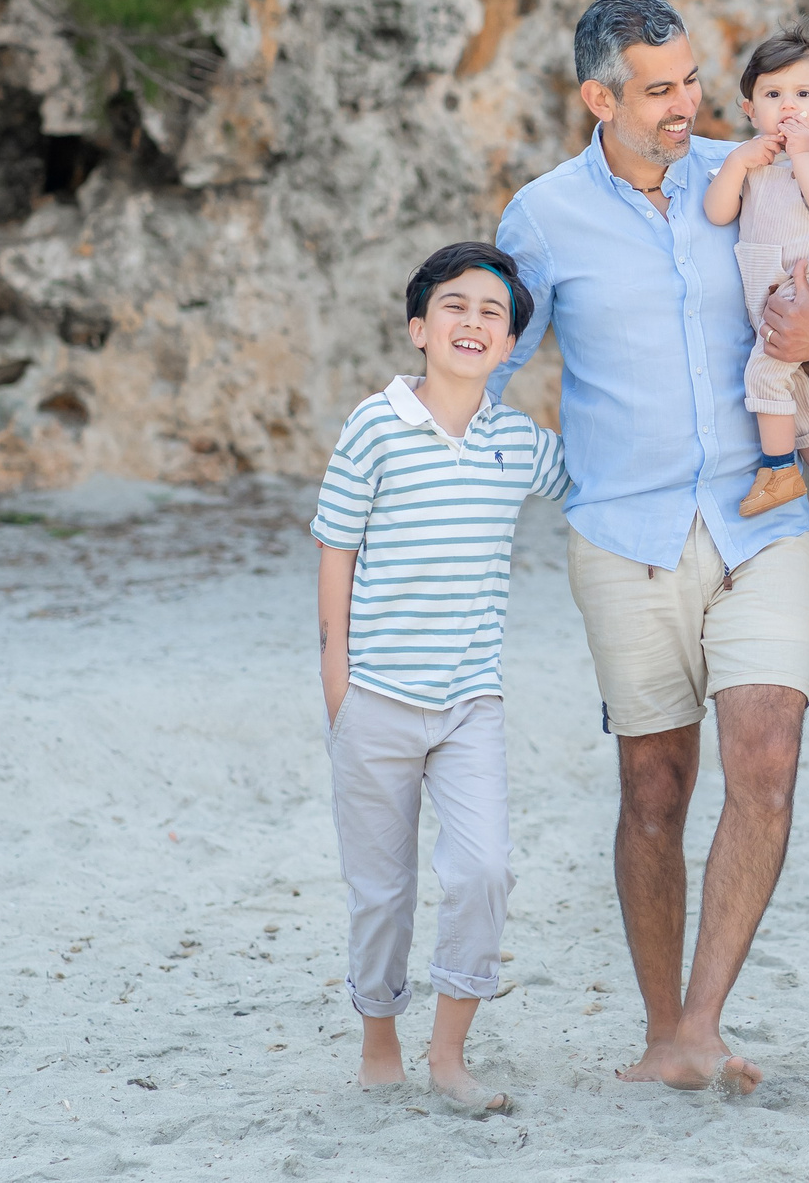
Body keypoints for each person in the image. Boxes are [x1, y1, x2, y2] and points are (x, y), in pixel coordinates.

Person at [490, 0, 809, 1092]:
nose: (687, 104)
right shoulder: (543, 216)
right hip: (626, 534)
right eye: (660, 90)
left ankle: (702, 1023)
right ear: (598, 96)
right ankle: (664, 1032)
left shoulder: (747, 179)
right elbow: (494, 362)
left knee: (767, 761)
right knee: (653, 786)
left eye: (694, 79)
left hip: (764, 517)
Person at [310, 241, 573, 1113]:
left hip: (470, 707)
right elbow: (336, 550)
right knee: (381, 891)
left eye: (492, 314)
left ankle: (449, 1053)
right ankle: (379, 1039)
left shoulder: (516, 443)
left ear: (509, 348)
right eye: (454, 306)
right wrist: (338, 685)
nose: (473, 321)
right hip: (376, 700)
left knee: (484, 871)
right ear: (420, 327)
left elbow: (590, 486)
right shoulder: (376, 424)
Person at [701, 28, 809, 528]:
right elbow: (718, 212)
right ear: (749, 110)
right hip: (763, 286)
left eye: (804, 95)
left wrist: (804, 156)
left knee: (763, 373)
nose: (788, 108)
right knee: (787, 386)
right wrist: (736, 163)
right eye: (773, 95)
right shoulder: (751, 161)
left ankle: (779, 469)